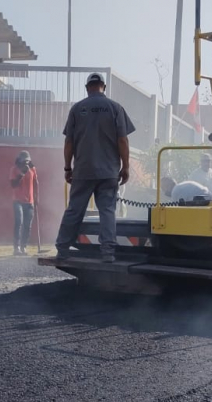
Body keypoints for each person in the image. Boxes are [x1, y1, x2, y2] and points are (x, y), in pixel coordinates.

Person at [55, 73, 136, 263]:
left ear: (87, 87)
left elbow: (69, 142)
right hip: (108, 172)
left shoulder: (77, 108)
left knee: (74, 210)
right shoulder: (115, 108)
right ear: (104, 87)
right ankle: (108, 252)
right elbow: (123, 139)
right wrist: (126, 166)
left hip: (83, 170)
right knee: (107, 210)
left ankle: (63, 249)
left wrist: (68, 168)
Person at [10, 150, 38, 256]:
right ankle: (16, 248)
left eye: (27, 161)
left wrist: (37, 197)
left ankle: (23, 247)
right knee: (19, 222)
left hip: (30, 201)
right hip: (17, 200)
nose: (25, 164)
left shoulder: (32, 169)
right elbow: (13, 184)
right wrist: (22, 173)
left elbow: (36, 183)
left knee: (27, 225)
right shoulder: (14, 169)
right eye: (23, 162)